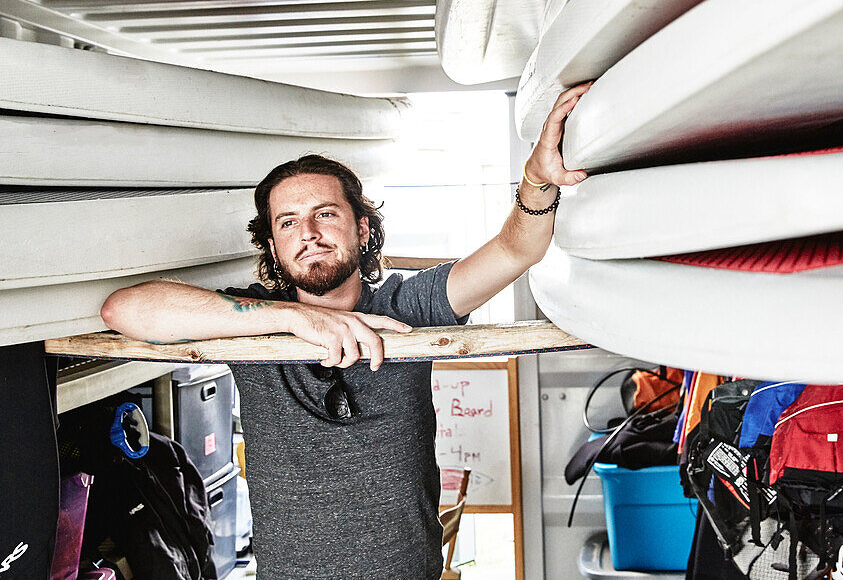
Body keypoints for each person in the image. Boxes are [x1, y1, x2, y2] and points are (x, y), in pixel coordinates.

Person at [100, 84, 590, 579]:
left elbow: (515, 250)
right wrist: (296, 319)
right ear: (271, 245)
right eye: (288, 222)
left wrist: (535, 179)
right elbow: (124, 310)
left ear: (362, 227)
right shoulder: (250, 315)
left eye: (325, 214)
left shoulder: (409, 305)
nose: (308, 234)